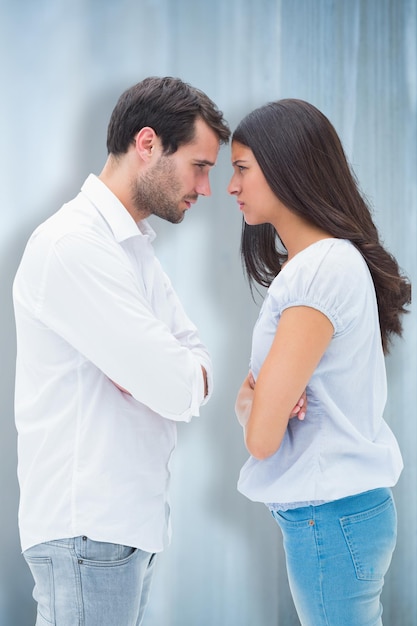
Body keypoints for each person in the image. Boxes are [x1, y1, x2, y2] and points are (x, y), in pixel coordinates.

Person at [13, 76, 230, 626]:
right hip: (89, 535)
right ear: (148, 144)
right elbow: (176, 384)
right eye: (200, 166)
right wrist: (168, 374)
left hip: (121, 535)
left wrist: (168, 372)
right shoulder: (74, 246)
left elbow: (196, 362)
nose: (207, 188)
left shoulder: (130, 248)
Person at [228, 99, 411, 626]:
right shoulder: (324, 266)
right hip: (338, 514)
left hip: (329, 516)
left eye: (242, 169)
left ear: (286, 167)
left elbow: (262, 437)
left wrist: (249, 402)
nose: (232, 187)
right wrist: (259, 401)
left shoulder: (320, 271)